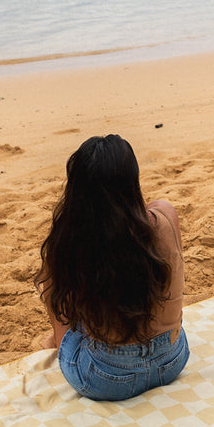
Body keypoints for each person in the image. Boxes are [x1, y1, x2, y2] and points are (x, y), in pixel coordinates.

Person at [36, 134, 188, 400]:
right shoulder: (165, 217)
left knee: (63, 305)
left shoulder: (73, 240)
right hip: (172, 360)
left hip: (107, 378)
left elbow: (55, 297)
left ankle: (60, 343)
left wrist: (65, 343)